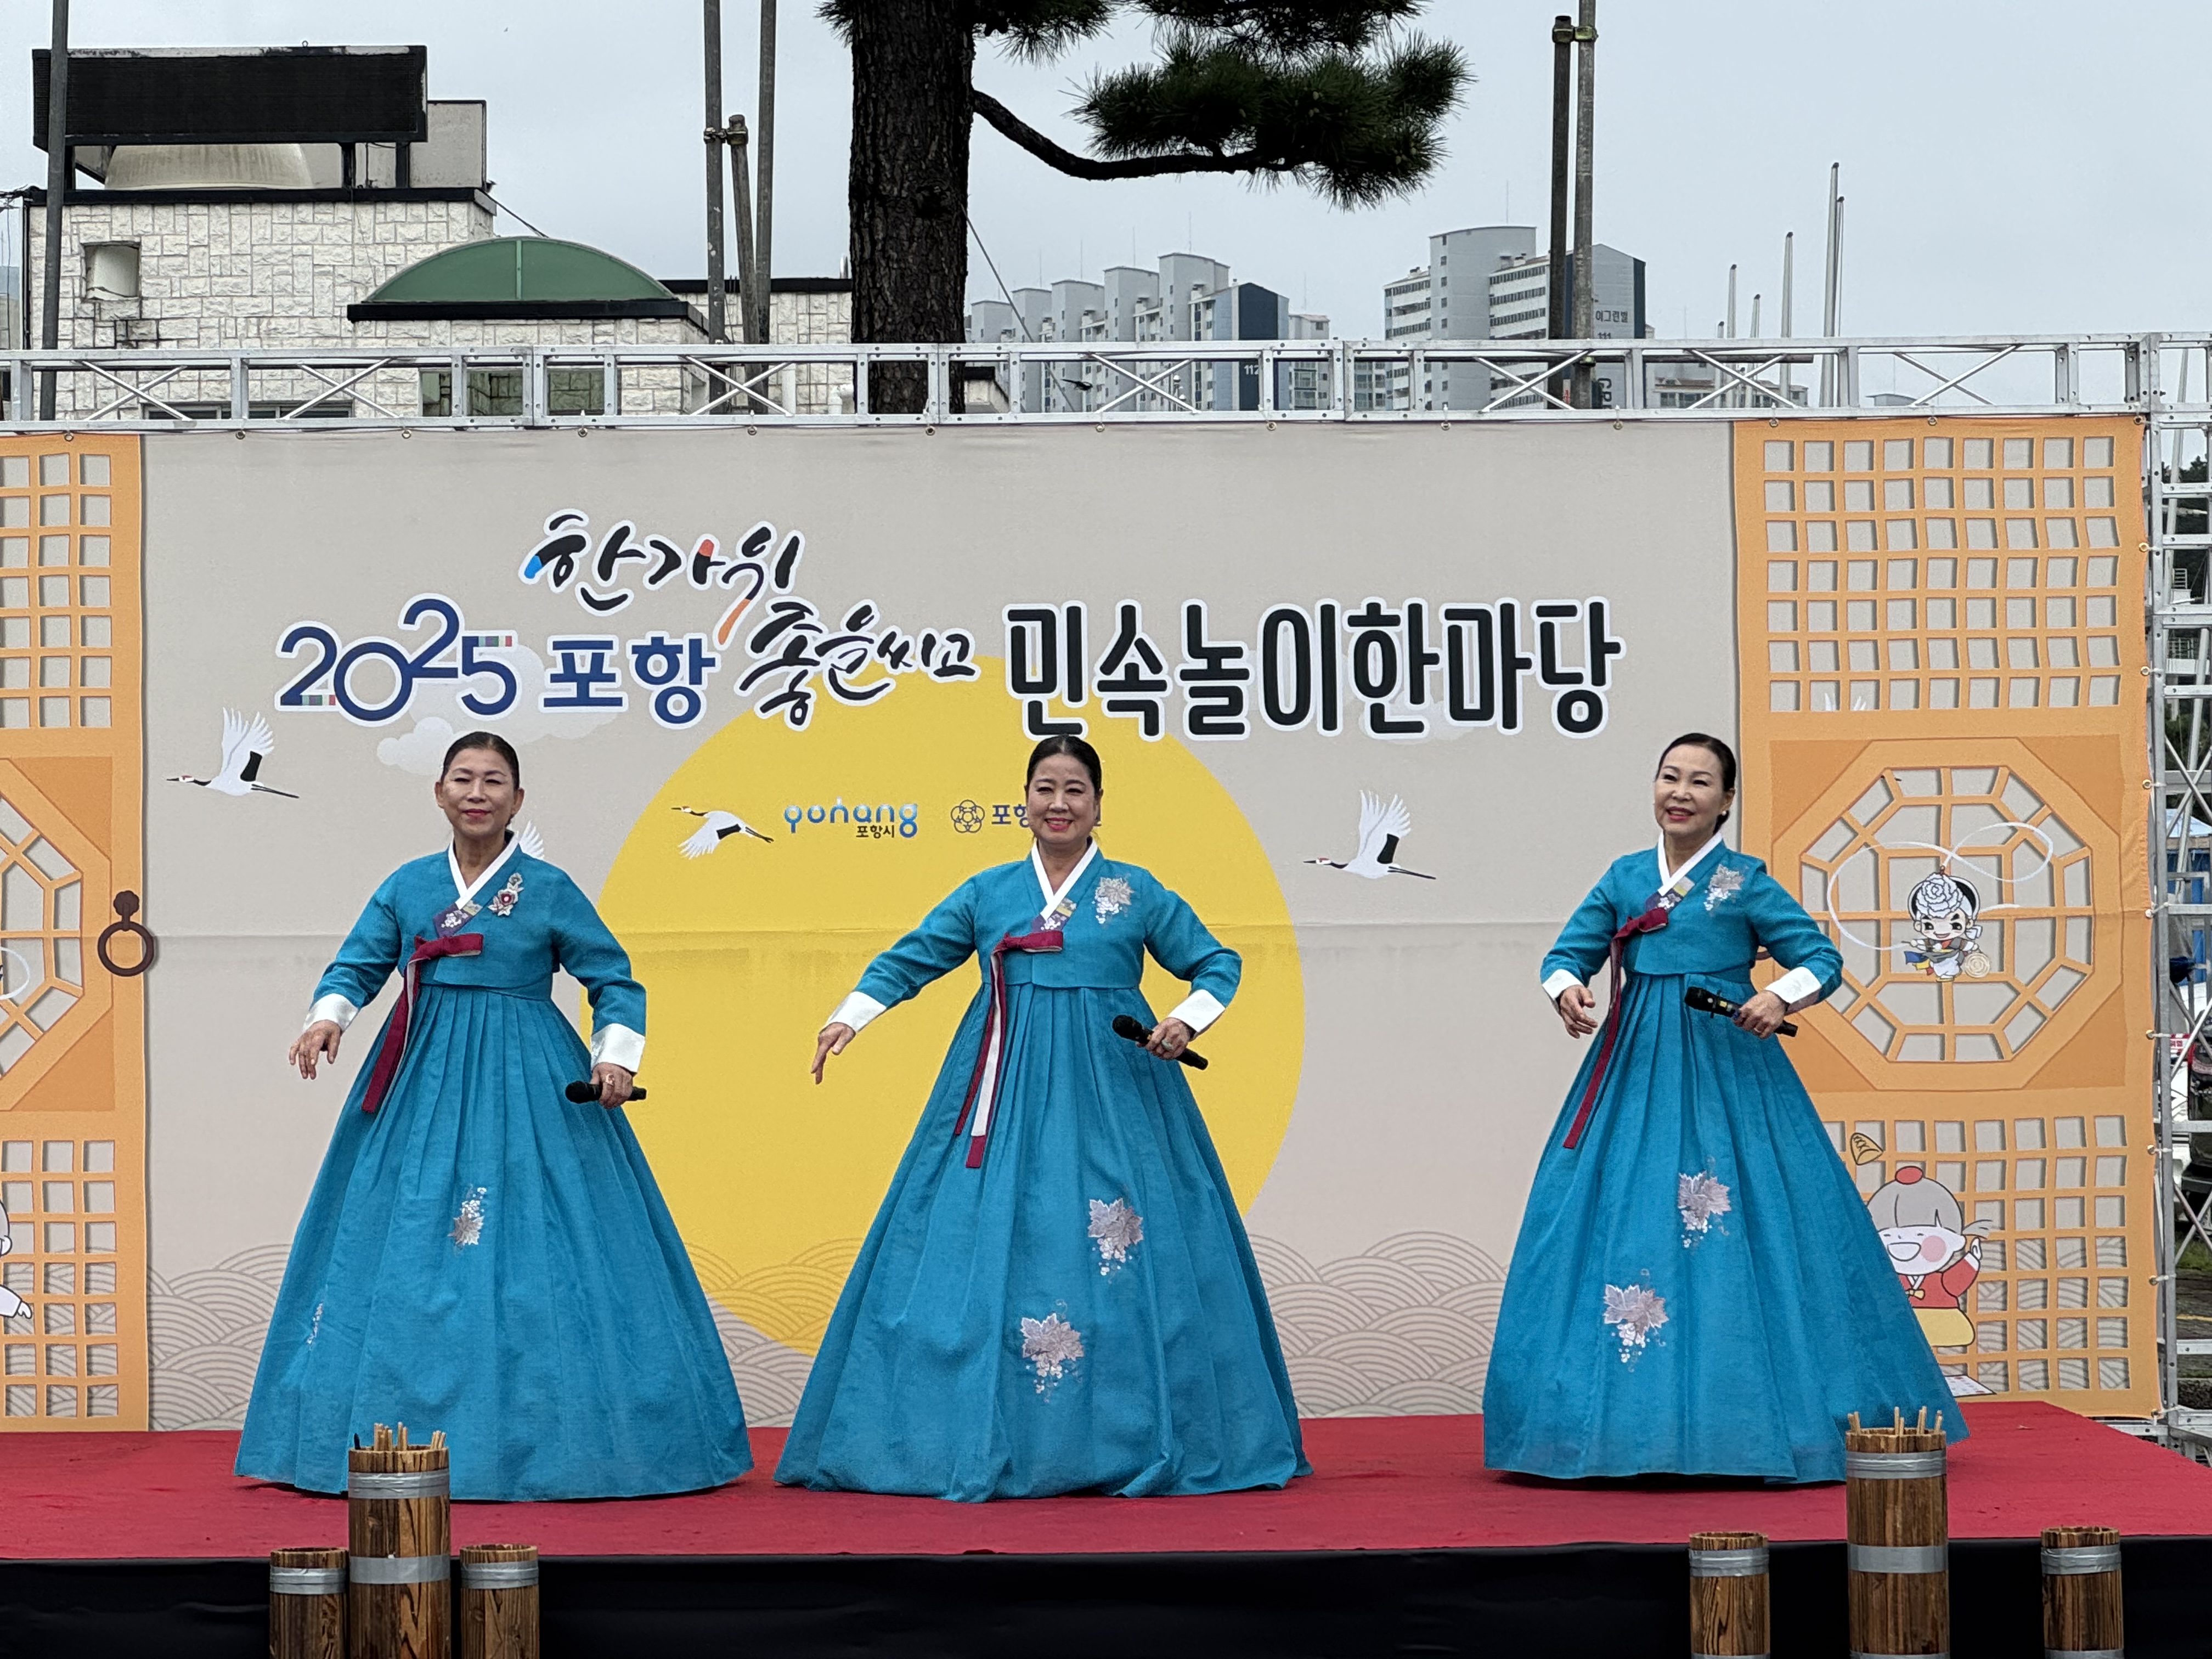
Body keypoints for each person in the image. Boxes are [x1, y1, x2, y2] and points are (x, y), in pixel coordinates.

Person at [781, 735, 1306, 1500]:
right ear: (1023, 801)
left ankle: (1129, 1432)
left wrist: (1186, 1019)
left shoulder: (1136, 891)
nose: (1059, 804)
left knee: (1124, 1245)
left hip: (1115, 1082)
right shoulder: (988, 892)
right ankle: (978, 1435)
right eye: (1045, 789)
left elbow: (1216, 962)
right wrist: (850, 1016)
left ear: (1099, 805)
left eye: (1075, 790)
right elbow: (911, 958)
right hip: (1004, 1083)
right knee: (988, 1232)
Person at [235, 732, 751, 1499]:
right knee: (407, 1229)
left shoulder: (548, 888)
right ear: (440, 792)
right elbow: (359, 962)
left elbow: (612, 977)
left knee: (543, 1235)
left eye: (494, 781)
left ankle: (559, 1437)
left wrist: (615, 1058)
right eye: (463, 779)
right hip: (421, 1068)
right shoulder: (408, 885)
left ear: (517, 799)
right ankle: (386, 1430)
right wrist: (328, 1018)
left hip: (528, 1070)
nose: (477, 793)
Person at [1482, 732, 1961, 1483]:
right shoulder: (1625, 876)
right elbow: (1566, 954)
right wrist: (1567, 988)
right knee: (1617, 1214)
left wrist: (1777, 996)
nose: (1681, 793)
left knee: (1754, 1220)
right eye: (1669, 777)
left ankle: (1749, 1421)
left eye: (1700, 782)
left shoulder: (1746, 882)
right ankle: (1613, 1429)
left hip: (1728, 1061)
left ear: (1727, 800)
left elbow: (1821, 959)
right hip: (1637, 1060)